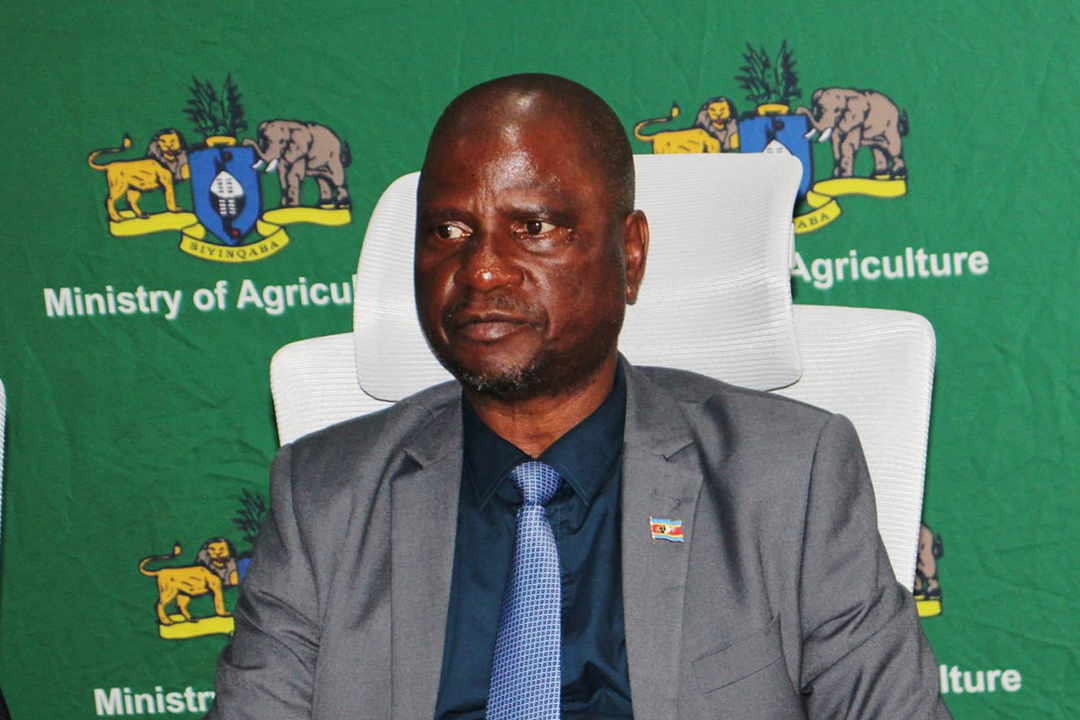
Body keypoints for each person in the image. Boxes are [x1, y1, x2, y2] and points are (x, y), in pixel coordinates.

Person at [207, 74, 950, 719]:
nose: (482, 269)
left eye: (533, 227)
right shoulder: (323, 499)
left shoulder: (788, 479)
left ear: (631, 254)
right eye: (449, 229)